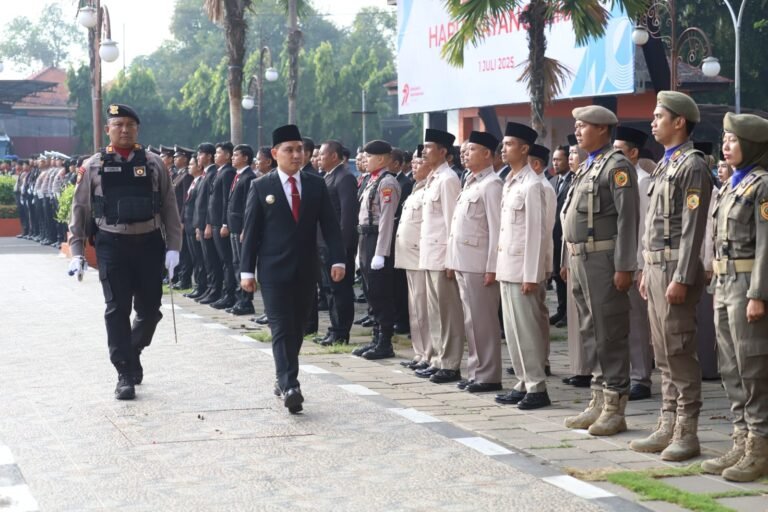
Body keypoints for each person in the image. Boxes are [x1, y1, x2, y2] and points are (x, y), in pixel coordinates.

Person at [68, 103, 182, 400]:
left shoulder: (155, 163)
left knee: (150, 311)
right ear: (108, 130)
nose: (124, 130)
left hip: (148, 244)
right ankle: (123, 373)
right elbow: (79, 209)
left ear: (137, 129)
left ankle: (132, 350)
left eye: (130, 125)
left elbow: (169, 206)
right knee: (117, 310)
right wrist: (77, 251)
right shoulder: (93, 165)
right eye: (118, 125)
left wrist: (174, 247)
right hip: (112, 244)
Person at [240, 124, 345, 414]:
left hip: (306, 269)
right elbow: (251, 233)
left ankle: (282, 374)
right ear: (275, 154)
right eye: (289, 150)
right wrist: (246, 272)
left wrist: (338, 259)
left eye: (300, 149)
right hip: (273, 271)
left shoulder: (315, 184)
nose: (296, 155)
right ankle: (290, 384)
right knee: (281, 327)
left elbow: (331, 227)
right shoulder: (261, 186)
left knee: (298, 327)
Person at [631, 91, 711, 461]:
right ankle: (666, 422)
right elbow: (652, 224)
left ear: (679, 122)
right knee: (661, 350)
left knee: (679, 348)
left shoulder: (692, 165)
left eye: (659, 116)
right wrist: (647, 267)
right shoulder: (665, 164)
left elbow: (693, 229)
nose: (653, 121)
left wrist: (681, 276)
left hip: (677, 267)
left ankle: (686, 429)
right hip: (658, 266)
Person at [561, 106, 639, 436]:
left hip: (604, 261)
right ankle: (597, 398)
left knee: (609, 332)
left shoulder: (617, 166)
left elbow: (627, 220)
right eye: (577, 126)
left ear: (604, 130)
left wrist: (624, 266)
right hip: (581, 260)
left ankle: (614, 406)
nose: (578, 131)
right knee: (591, 333)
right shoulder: (588, 166)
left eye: (584, 126)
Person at [701, 113, 768, 481]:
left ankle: (759, 446)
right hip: (724, 285)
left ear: (753, 145)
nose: (725, 146)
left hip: (746, 286)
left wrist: (758, 293)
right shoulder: (730, 186)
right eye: (724, 140)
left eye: (733, 140)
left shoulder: (762, 186)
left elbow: (766, 247)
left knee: (752, 365)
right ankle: (740, 440)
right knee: (729, 365)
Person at [495, 123, 552, 408]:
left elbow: (536, 233)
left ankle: (537, 386)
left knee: (527, 330)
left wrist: (532, 274)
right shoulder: (510, 180)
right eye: (503, 144)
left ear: (524, 149)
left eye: (509, 144)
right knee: (513, 329)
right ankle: (521, 380)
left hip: (522, 270)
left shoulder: (533, 184)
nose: (503, 149)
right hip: (508, 265)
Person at [446, 131, 503, 393]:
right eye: (464, 150)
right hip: (464, 261)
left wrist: (492, 267)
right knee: (471, 321)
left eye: (471, 150)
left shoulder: (492, 185)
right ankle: (476, 371)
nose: (464, 154)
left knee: (484, 321)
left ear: (487, 154)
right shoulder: (470, 181)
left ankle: (489, 375)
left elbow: (495, 228)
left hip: (480, 264)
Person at [414, 129, 465, 384]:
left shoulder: (448, 179)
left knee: (448, 312)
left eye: (429, 147)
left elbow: (451, 222)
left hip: (442, 255)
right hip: (428, 254)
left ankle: (451, 362)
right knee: (434, 312)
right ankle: (438, 359)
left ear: (443, 151)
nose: (424, 152)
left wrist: (451, 260)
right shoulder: (434, 178)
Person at [613, 126, 654, 401]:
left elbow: (640, 228)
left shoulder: (641, 181)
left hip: (634, 261)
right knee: (620, 322)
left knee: (638, 323)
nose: (614, 157)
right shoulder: (617, 179)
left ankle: (641, 377)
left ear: (634, 153)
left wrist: (638, 266)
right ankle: (626, 374)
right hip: (616, 260)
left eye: (619, 152)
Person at [351, 140, 401, 359]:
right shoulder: (372, 180)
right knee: (370, 291)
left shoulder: (387, 182)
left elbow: (387, 220)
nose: (365, 161)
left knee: (380, 292)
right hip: (365, 237)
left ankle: (384, 342)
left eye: (369, 157)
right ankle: (375, 338)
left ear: (381, 159)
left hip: (377, 240)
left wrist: (381, 252)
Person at [315, 140, 359, 345]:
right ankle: (334, 328)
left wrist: (341, 248)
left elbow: (347, 217)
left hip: (337, 246)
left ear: (334, 156)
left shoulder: (345, 178)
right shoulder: (327, 177)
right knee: (329, 289)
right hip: (323, 243)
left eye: (322, 155)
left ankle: (342, 332)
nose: (318, 158)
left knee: (340, 290)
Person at [395, 148, 432, 369]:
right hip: (409, 257)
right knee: (415, 309)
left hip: (421, 256)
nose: (415, 166)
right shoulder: (417, 188)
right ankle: (419, 353)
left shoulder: (431, 189)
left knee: (423, 309)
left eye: (420, 163)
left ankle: (429, 353)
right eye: (415, 163)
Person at [223, 144, 258, 315]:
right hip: (234, 226)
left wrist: (246, 228)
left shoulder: (249, 177)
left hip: (241, 227)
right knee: (236, 263)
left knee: (243, 264)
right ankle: (240, 299)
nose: (232, 158)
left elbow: (248, 206)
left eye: (236, 155)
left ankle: (246, 301)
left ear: (245, 158)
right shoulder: (238, 176)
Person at [208, 142, 237, 310]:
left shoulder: (227, 173)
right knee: (222, 260)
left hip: (222, 223)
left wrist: (224, 223)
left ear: (227, 155)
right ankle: (224, 293)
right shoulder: (220, 172)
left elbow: (227, 199)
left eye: (219, 153)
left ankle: (229, 294)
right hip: (215, 223)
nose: (215, 155)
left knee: (227, 261)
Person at [193, 143, 222, 304]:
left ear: (209, 156)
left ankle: (215, 289)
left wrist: (206, 224)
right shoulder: (205, 174)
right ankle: (210, 289)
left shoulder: (212, 174)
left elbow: (210, 203)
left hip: (208, 224)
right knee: (206, 259)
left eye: (200, 154)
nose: (198, 157)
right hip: (201, 223)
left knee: (212, 260)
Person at [549, 145, 572, 327]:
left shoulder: (573, 181)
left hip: (564, 237)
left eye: (559, 160)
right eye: (554, 160)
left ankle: (568, 313)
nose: (555, 163)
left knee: (565, 277)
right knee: (557, 275)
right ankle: (560, 309)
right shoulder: (553, 181)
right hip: (553, 237)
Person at [171, 146, 195, 289]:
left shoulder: (186, 176)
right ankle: (180, 278)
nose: (175, 159)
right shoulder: (179, 175)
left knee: (185, 251)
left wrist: (181, 220)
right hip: (176, 218)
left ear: (185, 159)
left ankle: (185, 279)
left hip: (182, 218)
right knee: (180, 249)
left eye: (177, 157)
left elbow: (185, 201)